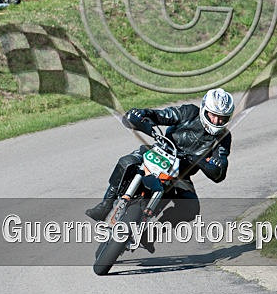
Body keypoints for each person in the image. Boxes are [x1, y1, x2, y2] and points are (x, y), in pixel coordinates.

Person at [85, 88, 235, 225]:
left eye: (222, 118)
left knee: (191, 208)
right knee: (127, 162)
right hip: (160, 151)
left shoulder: (224, 138)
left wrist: (211, 164)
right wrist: (142, 115)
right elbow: (161, 115)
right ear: (205, 109)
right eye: (214, 115)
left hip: (181, 174)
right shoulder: (189, 112)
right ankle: (105, 206)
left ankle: (155, 230)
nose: (217, 121)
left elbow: (220, 168)